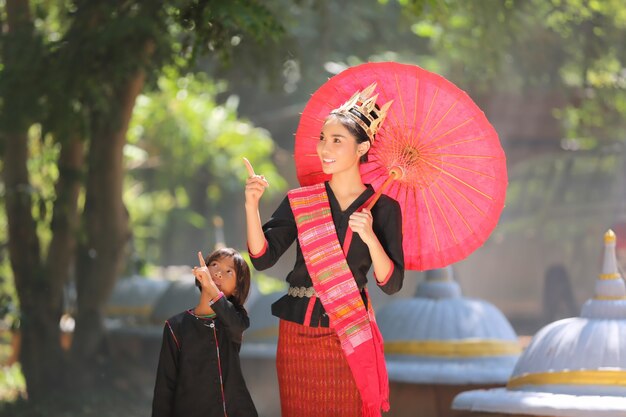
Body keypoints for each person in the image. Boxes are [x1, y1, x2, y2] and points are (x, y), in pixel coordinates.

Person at [244, 83, 405, 417]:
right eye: (322, 139)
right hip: (297, 331)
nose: (324, 148)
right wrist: (251, 205)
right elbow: (262, 258)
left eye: (336, 140)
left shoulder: (385, 208)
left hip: (347, 331)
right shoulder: (302, 201)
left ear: (361, 148)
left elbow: (391, 283)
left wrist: (370, 236)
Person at [151, 248, 258, 417]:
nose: (219, 273)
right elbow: (165, 387)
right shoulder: (175, 326)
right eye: (214, 265)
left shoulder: (236, 319)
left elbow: (236, 326)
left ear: (237, 289)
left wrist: (211, 287)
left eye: (229, 271)